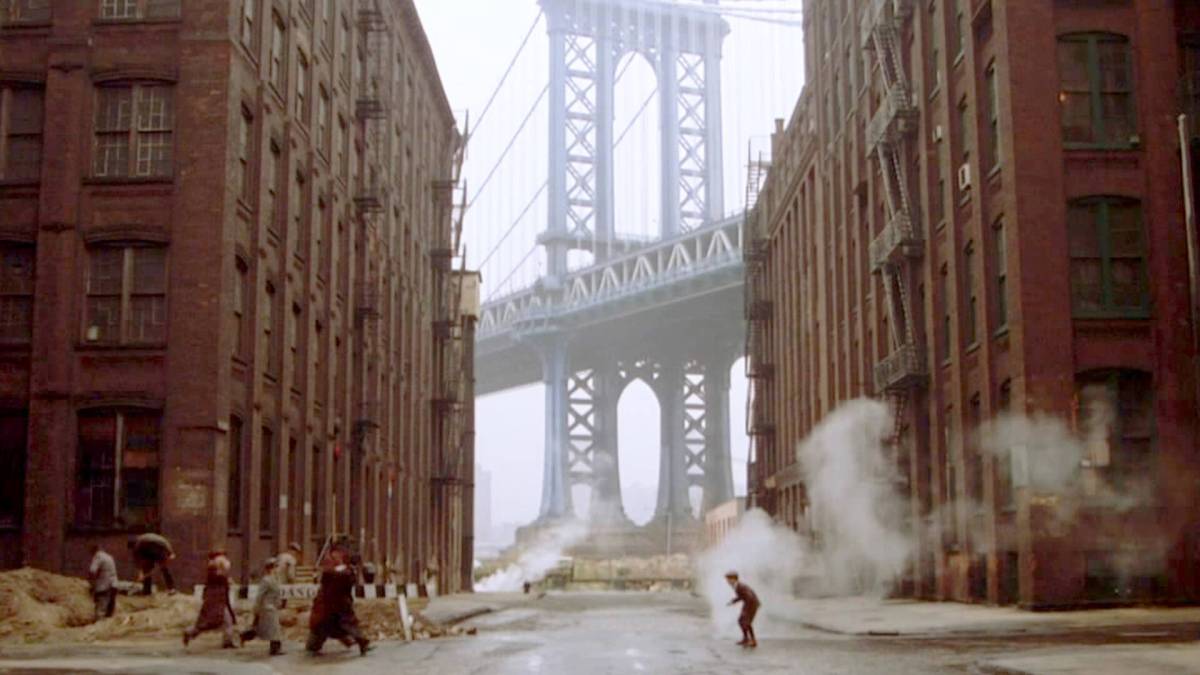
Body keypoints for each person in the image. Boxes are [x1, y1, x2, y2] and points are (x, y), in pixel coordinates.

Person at [306, 547, 372, 657]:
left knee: (328, 625)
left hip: (332, 605)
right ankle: (360, 643)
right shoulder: (347, 572)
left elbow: (326, 580)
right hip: (335, 605)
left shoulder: (337, 571)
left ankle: (361, 642)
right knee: (338, 625)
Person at [183, 550, 239, 649]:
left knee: (227, 620)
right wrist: (226, 580)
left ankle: (227, 641)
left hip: (220, 602)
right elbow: (217, 584)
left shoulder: (217, 572)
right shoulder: (214, 570)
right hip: (215, 602)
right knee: (208, 623)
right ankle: (190, 632)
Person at [240, 557, 284, 656]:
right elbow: (260, 595)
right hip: (267, 607)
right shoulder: (266, 580)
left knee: (261, 628)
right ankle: (275, 649)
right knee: (274, 628)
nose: (278, 569)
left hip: (273, 606)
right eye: (276, 567)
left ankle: (244, 636)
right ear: (271, 568)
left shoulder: (275, 579)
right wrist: (256, 608)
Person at [725, 571, 760, 648]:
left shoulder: (740, 586)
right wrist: (733, 601)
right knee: (743, 621)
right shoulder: (737, 586)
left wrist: (745, 610)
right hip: (750, 604)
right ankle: (746, 639)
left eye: (728, 579)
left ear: (734, 579)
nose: (727, 581)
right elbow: (742, 596)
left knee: (745, 621)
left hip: (752, 604)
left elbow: (749, 597)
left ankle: (752, 640)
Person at [87, 543, 118, 622]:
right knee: (110, 612)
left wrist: (91, 584)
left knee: (100, 611)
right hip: (114, 585)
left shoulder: (98, 556)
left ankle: (98, 629)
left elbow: (92, 571)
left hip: (104, 586)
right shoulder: (109, 557)